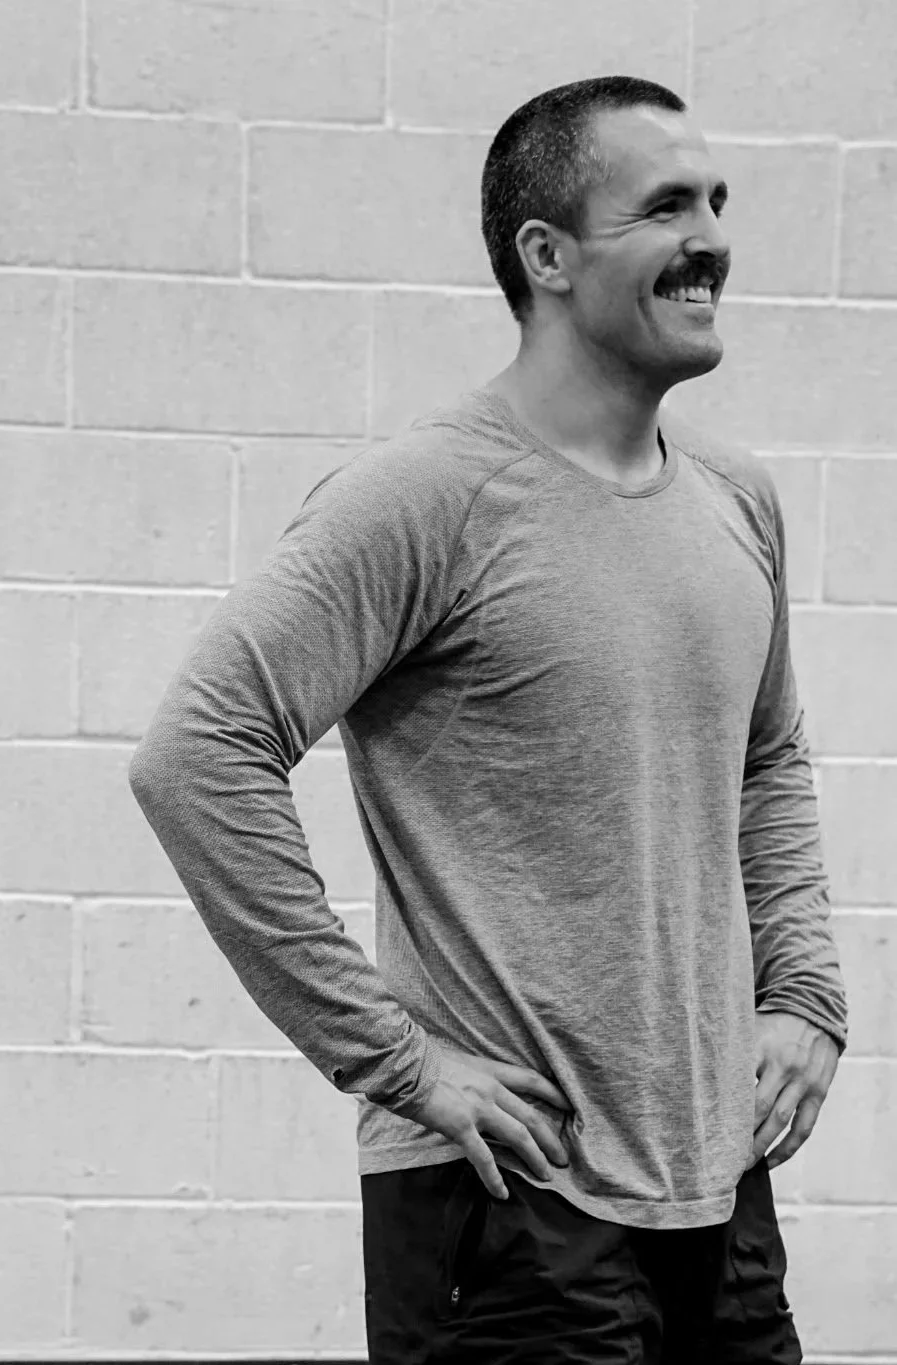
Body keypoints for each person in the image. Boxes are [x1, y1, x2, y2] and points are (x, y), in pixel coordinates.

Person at [127, 75, 846, 1362]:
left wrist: (802, 994)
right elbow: (197, 755)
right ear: (546, 256)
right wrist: (396, 1061)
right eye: (668, 204)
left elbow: (769, 758)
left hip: (716, 1185)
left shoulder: (741, 501)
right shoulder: (426, 497)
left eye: (719, 200)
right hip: (509, 1201)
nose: (715, 237)